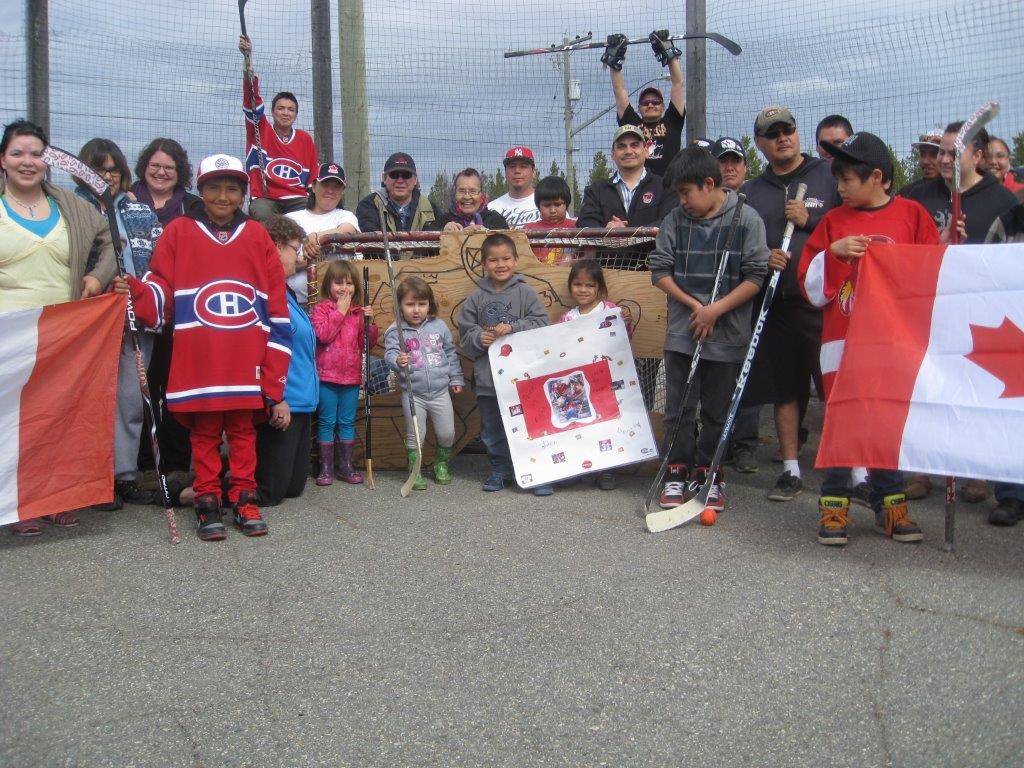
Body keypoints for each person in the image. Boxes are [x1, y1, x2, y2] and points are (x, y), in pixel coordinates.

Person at [115, 153, 292, 541]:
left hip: (246, 360)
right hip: (200, 360)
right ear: (201, 190)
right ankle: (208, 499)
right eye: (214, 187)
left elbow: (276, 308)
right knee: (205, 433)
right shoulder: (178, 232)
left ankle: (245, 497)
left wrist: (274, 372)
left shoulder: (258, 236)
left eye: (232, 188)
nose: (223, 196)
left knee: (244, 433)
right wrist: (138, 291)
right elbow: (161, 288)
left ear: (244, 194)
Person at [796, 131, 939, 546]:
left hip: (892, 343)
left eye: (846, 179)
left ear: (878, 177)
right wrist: (834, 253)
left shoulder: (912, 216)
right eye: (836, 179)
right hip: (842, 342)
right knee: (842, 420)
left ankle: (889, 505)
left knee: (886, 421)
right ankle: (834, 507)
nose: (838, 188)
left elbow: (932, 277)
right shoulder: (834, 223)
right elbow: (810, 286)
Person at [0, 119, 117, 536]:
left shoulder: (68, 204)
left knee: (56, 415)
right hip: (7, 331)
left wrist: (96, 278)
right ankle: (14, 504)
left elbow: (108, 238)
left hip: (61, 327)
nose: (27, 162)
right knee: (10, 420)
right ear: (3, 159)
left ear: (47, 161)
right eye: (17, 154)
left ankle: (55, 498)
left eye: (36, 154)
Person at [648, 146, 769, 514]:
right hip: (684, 331)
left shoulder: (746, 219)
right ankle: (677, 469)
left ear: (709, 183)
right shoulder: (674, 220)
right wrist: (696, 307)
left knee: (716, 410)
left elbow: (756, 276)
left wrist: (716, 309)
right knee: (678, 409)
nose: (682, 201)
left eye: (687, 192)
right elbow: (660, 271)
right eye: (678, 194)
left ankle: (709, 472)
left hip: (728, 332)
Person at [741, 106, 841, 503]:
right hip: (776, 304)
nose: (783, 137)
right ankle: (790, 468)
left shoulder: (827, 175)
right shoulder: (751, 191)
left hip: (823, 305)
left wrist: (810, 222)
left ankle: (848, 467)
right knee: (786, 390)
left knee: (832, 388)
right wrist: (763, 257)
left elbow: (848, 224)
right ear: (760, 144)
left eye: (789, 130)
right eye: (773, 133)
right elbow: (743, 247)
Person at [75, 137, 162, 511]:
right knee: (91, 397)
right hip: (92, 316)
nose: (107, 175)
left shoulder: (140, 209)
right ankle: (91, 478)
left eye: (113, 169)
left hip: (135, 316)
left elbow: (158, 258)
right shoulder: (73, 207)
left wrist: (141, 290)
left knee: (131, 396)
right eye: (99, 168)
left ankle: (124, 474)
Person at [457, 233, 549, 494]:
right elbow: (465, 334)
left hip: (523, 378)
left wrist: (515, 326)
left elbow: (542, 323)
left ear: (516, 261)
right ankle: (500, 469)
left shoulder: (526, 293)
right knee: (492, 428)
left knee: (529, 424)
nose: (501, 265)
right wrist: (479, 337)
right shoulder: (475, 298)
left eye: (506, 258)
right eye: (494, 260)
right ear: (484, 264)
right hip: (488, 380)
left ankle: (534, 472)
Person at [132, 137, 200, 483]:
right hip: (137, 313)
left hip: (181, 312)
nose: (160, 172)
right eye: (155, 166)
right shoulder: (125, 200)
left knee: (174, 387)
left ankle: (175, 462)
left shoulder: (192, 206)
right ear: (145, 166)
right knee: (140, 386)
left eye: (168, 167)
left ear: (180, 172)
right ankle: (141, 461)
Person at [255, 216, 318, 506]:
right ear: (277, 247)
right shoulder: (263, 293)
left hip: (303, 401)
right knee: (270, 492)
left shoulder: (286, 291)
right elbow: (262, 351)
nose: (300, 256)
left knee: (293, 487)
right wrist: (274, 398)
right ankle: (207, 491)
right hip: (284, 401)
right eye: (296, 249)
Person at [384, 276, 465, 488]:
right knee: (415, 434)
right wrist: (397, 360)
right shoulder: (396, 331)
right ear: (400, 306)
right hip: (413, 394)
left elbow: (450, 353)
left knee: (447, 432)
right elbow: (390, 353)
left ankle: (441, 464)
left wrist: (455, 377)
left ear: (430, 304)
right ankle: (415, 470)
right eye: (410, 304)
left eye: (422, 304)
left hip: (440, 392)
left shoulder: (439, 326)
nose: (416, 310)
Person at [557, 259, 630, 491]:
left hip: (606, 379)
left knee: (605, 423)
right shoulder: (567, 319)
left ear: (599, 287)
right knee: (580, 424)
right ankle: (579, 466)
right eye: (578, 284)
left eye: (589, 285)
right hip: (579, 383)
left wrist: (626, 324)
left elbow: (622, 343)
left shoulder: (610, 310)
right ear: (570, 287)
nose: (583, 290)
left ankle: (606, 469)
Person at [238, 35, 318, 222]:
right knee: (261, 212)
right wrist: (248, 59)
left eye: (290, 110)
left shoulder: (305, 139)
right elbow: (251, 99)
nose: (285, 113)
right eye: (280, 108)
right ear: (272, 112)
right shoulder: (260, 129)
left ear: (296, 115)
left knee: (315, 211)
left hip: (297, 198)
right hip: (266, 198)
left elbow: (313, 175)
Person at [311, 260, 376, 486]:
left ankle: (346, 466)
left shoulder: (358, 313)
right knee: (327, 421)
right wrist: (339, 311)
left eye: (349, 283)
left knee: (347, 422)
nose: (344, 288)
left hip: (350, 377)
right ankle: (326, 468)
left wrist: (370, 323)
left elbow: (367, 343)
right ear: (328, 285)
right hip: (327, 377)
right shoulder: (321, 309)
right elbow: (323, 335)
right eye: (338, 283)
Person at [576, 125, 678, 268]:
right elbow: (585, 223)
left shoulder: (665, 187)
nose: (628, 151)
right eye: (621, 146)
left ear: (646, 151)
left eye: (634, 145)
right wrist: (607, 230)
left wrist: (628, 233)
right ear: (612, 154)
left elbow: (669, 223)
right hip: (606, 274)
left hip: (654, 273)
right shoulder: (596, 190)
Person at [982, 192, 1024, 526]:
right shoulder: (1007, 222)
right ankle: (1011, 495)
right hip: (1013, 332)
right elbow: (984, 275)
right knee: (1010, 412)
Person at [902, 122, 1017, 242]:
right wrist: (939, 245)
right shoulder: (919, 197)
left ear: (977, 156)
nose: (945, 160)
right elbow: (907, 250)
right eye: (941, 152)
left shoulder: (1004, 203)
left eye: (954, 154)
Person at [602, 30, 685, 178]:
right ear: (639, 108)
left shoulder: (673, 121)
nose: (651, 105)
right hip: (640, 187)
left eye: (655, 102)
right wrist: (615, 63)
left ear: (663, 107)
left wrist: (669, 54)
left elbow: (678, 84)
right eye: (645, 103)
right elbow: (619, 90)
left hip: (669, 187)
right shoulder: (631, 124)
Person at [285, 161, 360, 303]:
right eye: (325, 184)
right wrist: (309, 261)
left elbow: (346, 231)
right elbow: (279, 263)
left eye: (336, 186)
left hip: (336, 305)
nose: (330, 191)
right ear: (313, 186)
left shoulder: (345, 216)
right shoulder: (291, 218)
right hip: (296, 303)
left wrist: (314, 238)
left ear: (342, 191)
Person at [355, 152, 437, 236]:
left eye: (406, 175)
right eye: (394, 175)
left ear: (415, 179)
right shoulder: (369, 206)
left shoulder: (431, 208)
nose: (400, 180)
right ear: (384, 178)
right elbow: (371, 244)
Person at [432, 168, 509, 232]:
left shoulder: (496, 220)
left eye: (473, 191)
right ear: (454, 194)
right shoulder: (443, 221)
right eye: (461, 191)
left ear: (481, 195)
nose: (467, 197)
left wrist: (485, 234)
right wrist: (443, 232)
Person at [524, 175, 577, 265]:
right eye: (547, 205)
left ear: (566, 205)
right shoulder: (529, 229)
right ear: (538, 206)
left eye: (557, 204)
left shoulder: (576, 226)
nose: (552, 210)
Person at [487, 147, 541, 228]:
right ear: (505, 172)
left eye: (523, 166)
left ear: (533, 172)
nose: (517, 171)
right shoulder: (491, 208)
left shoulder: (549, 204)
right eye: (512, 166)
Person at [897, 128, 944, 210]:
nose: (925, 161)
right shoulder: (907, 193)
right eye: (922, 153)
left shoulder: (957, 193)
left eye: (934, 154)